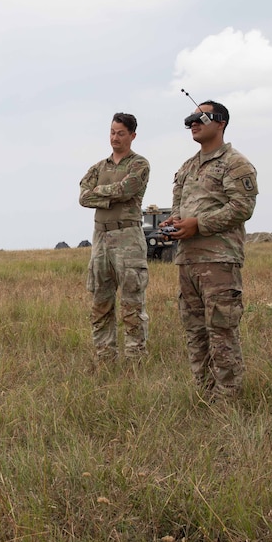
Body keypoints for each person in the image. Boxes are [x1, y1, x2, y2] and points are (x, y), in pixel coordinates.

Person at [160, 101, 258, 402]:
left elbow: (242, 207)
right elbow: (178, 207)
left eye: (201, 118)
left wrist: (199, 224)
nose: (193, 123)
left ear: (221, 123)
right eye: (190, 119)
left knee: (221, 332)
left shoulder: (235, 163)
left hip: (218, 260)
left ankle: (227, 402)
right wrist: (174, 222)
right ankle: (204, 396)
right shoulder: (187, 168)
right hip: (187, 261)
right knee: (195, 333)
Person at [79, 112, 151, 363]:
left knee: (132, 303)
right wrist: (110, 196)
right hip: (101, 238)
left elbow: (127, 189)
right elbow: (83, 197)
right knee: (100, 301)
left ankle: (135, 360)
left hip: (128, 237)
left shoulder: (139, 164)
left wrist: (100, 192)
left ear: (132, 135)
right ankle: (105, 358)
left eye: (121, 133)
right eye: (112, 132)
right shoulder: (99, 167)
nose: (115, 137)